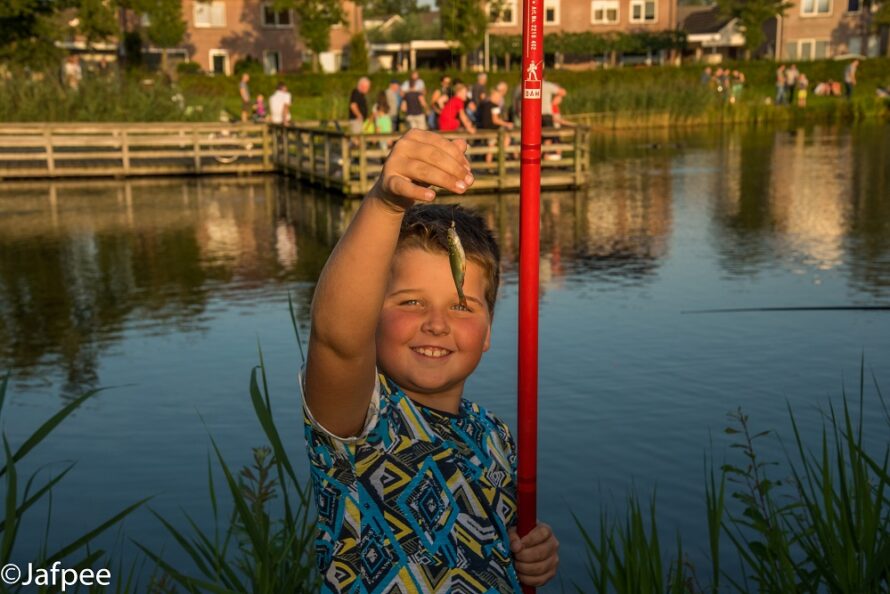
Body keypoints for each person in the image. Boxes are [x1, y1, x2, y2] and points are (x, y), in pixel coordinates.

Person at [302, 128, 560, 592]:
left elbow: (499, 546)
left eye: (461, 306)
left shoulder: (495, 436)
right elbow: (336, 339)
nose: (437, 324)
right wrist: (385, 203)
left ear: (487, 334)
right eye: (411, 302)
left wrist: (532, 554)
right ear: (372, 320)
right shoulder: (360, 419)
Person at [477, 88, 513, 164]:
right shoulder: (495, 106)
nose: (499, 100)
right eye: (499, 97)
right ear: (495, 97)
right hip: (493, 129)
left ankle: (488, 166)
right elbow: (495, 120)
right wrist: (507, 124)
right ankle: (501, 158)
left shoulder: (485, 104)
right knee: (506, 139)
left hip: (485, 129)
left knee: (491, 147)